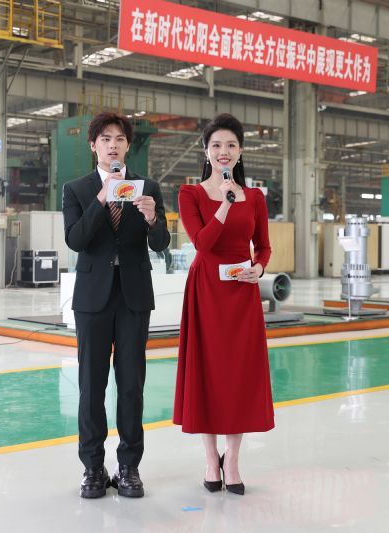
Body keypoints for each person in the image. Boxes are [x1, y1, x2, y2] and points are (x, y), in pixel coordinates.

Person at [62, 112, 171, 499]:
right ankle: (93, 467)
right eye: (105, 138)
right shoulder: (77, 189)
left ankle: (128, 467)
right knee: (91, 386)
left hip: (133, 297)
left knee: (131, 385)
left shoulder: (148, 187)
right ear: (93, 145)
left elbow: (161, 244)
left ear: (128, 145)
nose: (113, 145)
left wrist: (153, 218)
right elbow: (76, 240)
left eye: (120, 139)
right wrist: (102, 196)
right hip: (92, 298)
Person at [172, 113, 274, 495]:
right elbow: (202, 242)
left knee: (239, 375)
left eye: (231, 144)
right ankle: (209, 459)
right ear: (206, 151)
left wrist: (259, 268)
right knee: (208, 371)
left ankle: (231, 460)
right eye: (216, 145)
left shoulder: (256, 198)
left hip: (241, 293)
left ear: (241, 151)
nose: (224, 151)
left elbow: (263, 245)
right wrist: (225, 205)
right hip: (206, 292)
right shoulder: (191, 194)